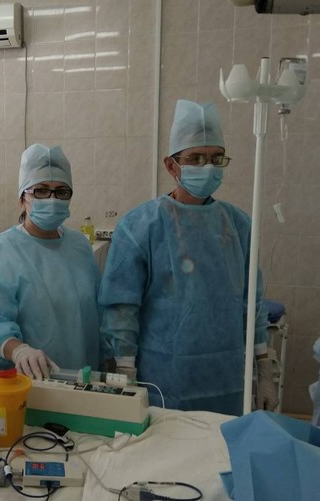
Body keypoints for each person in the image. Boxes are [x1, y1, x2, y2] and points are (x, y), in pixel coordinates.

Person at [99, 99, 279, 415]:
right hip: (164, 378)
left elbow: (252, 302)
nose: (207, 167)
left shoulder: (238, 225)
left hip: (225, 376)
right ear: (171, 166)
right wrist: (125, 373)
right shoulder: (140, 226)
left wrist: (264, 368)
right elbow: (122, 308)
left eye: (216, 158)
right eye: (195, 158)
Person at [0, 143, 102, 379]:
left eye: (61, 191)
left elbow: (97, 314)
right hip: (26, 381)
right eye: (40, 191)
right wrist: (18, 350)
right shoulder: (2, 251)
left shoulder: (80, 246)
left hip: (82, 377)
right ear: (22, 199)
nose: (52, 199)